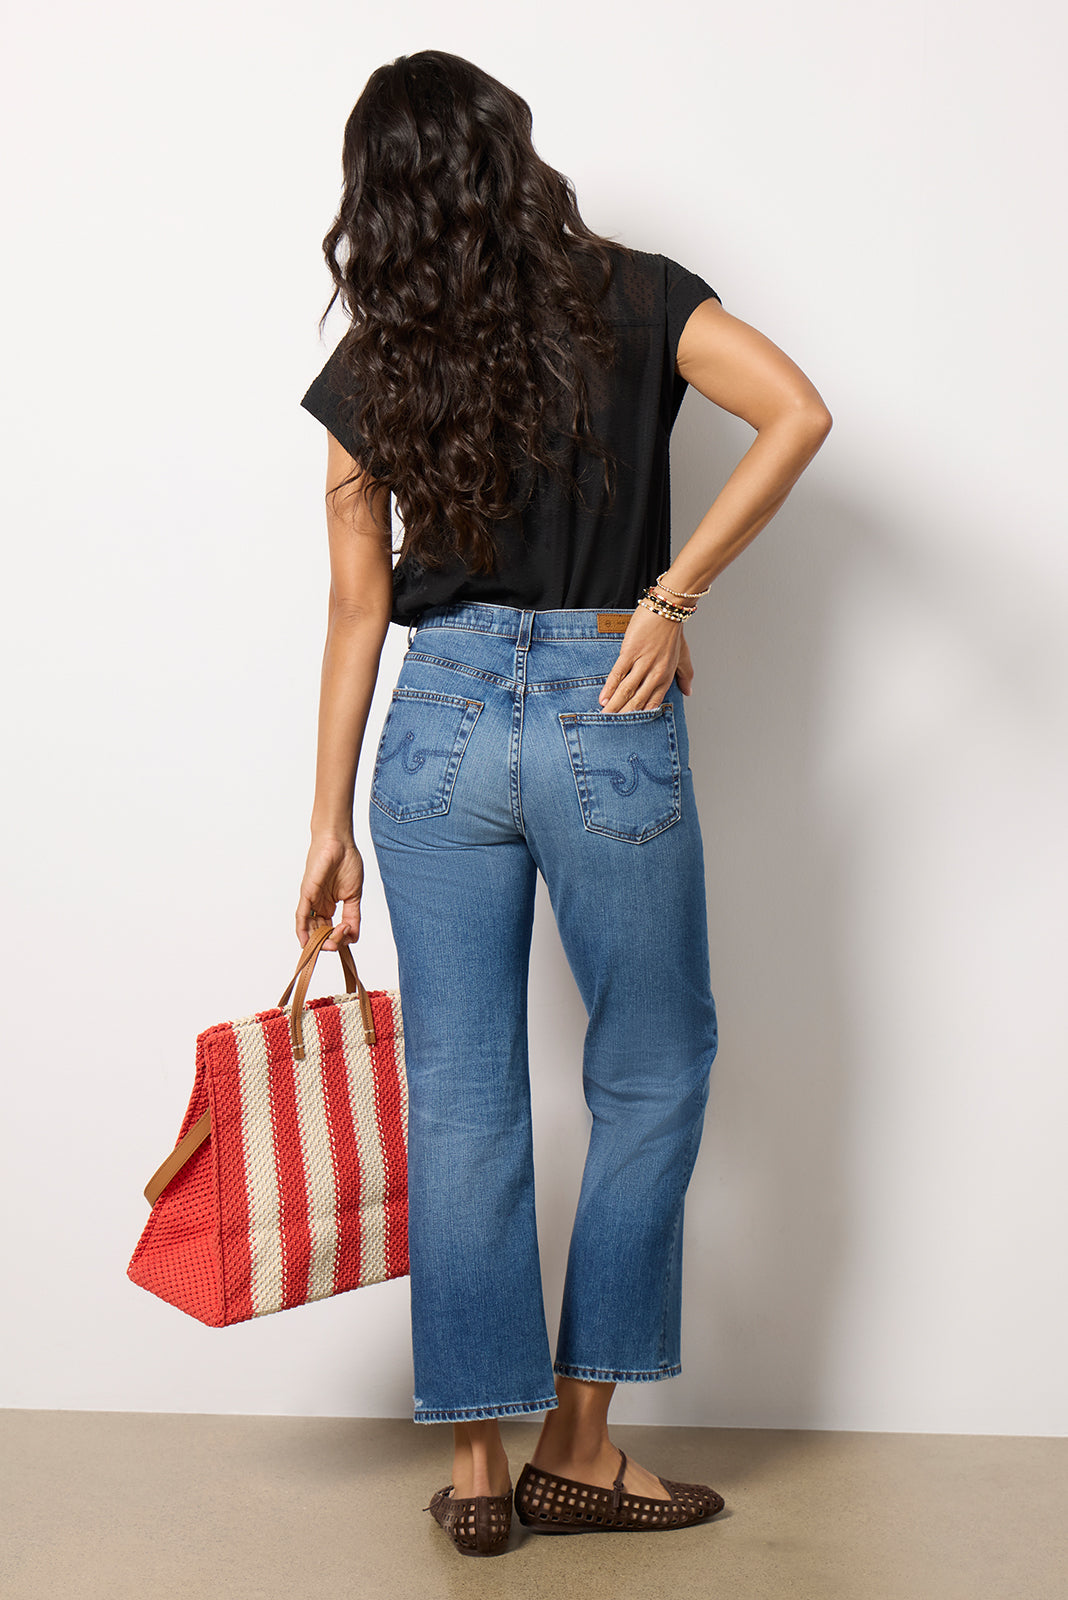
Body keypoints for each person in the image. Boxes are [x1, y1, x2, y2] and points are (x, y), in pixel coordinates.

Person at [295, 50, 832, 1557]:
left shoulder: (381, 358)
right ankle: (579, 1448)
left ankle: (478, 1469)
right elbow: (797, 412)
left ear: (381, 202)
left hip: (437, 719)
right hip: (610, 704)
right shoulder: (636, 297)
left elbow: (356, 608)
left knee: (460, 1090)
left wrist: (327, 826)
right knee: (652, 1068)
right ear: (513, 153)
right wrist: (669, 596)